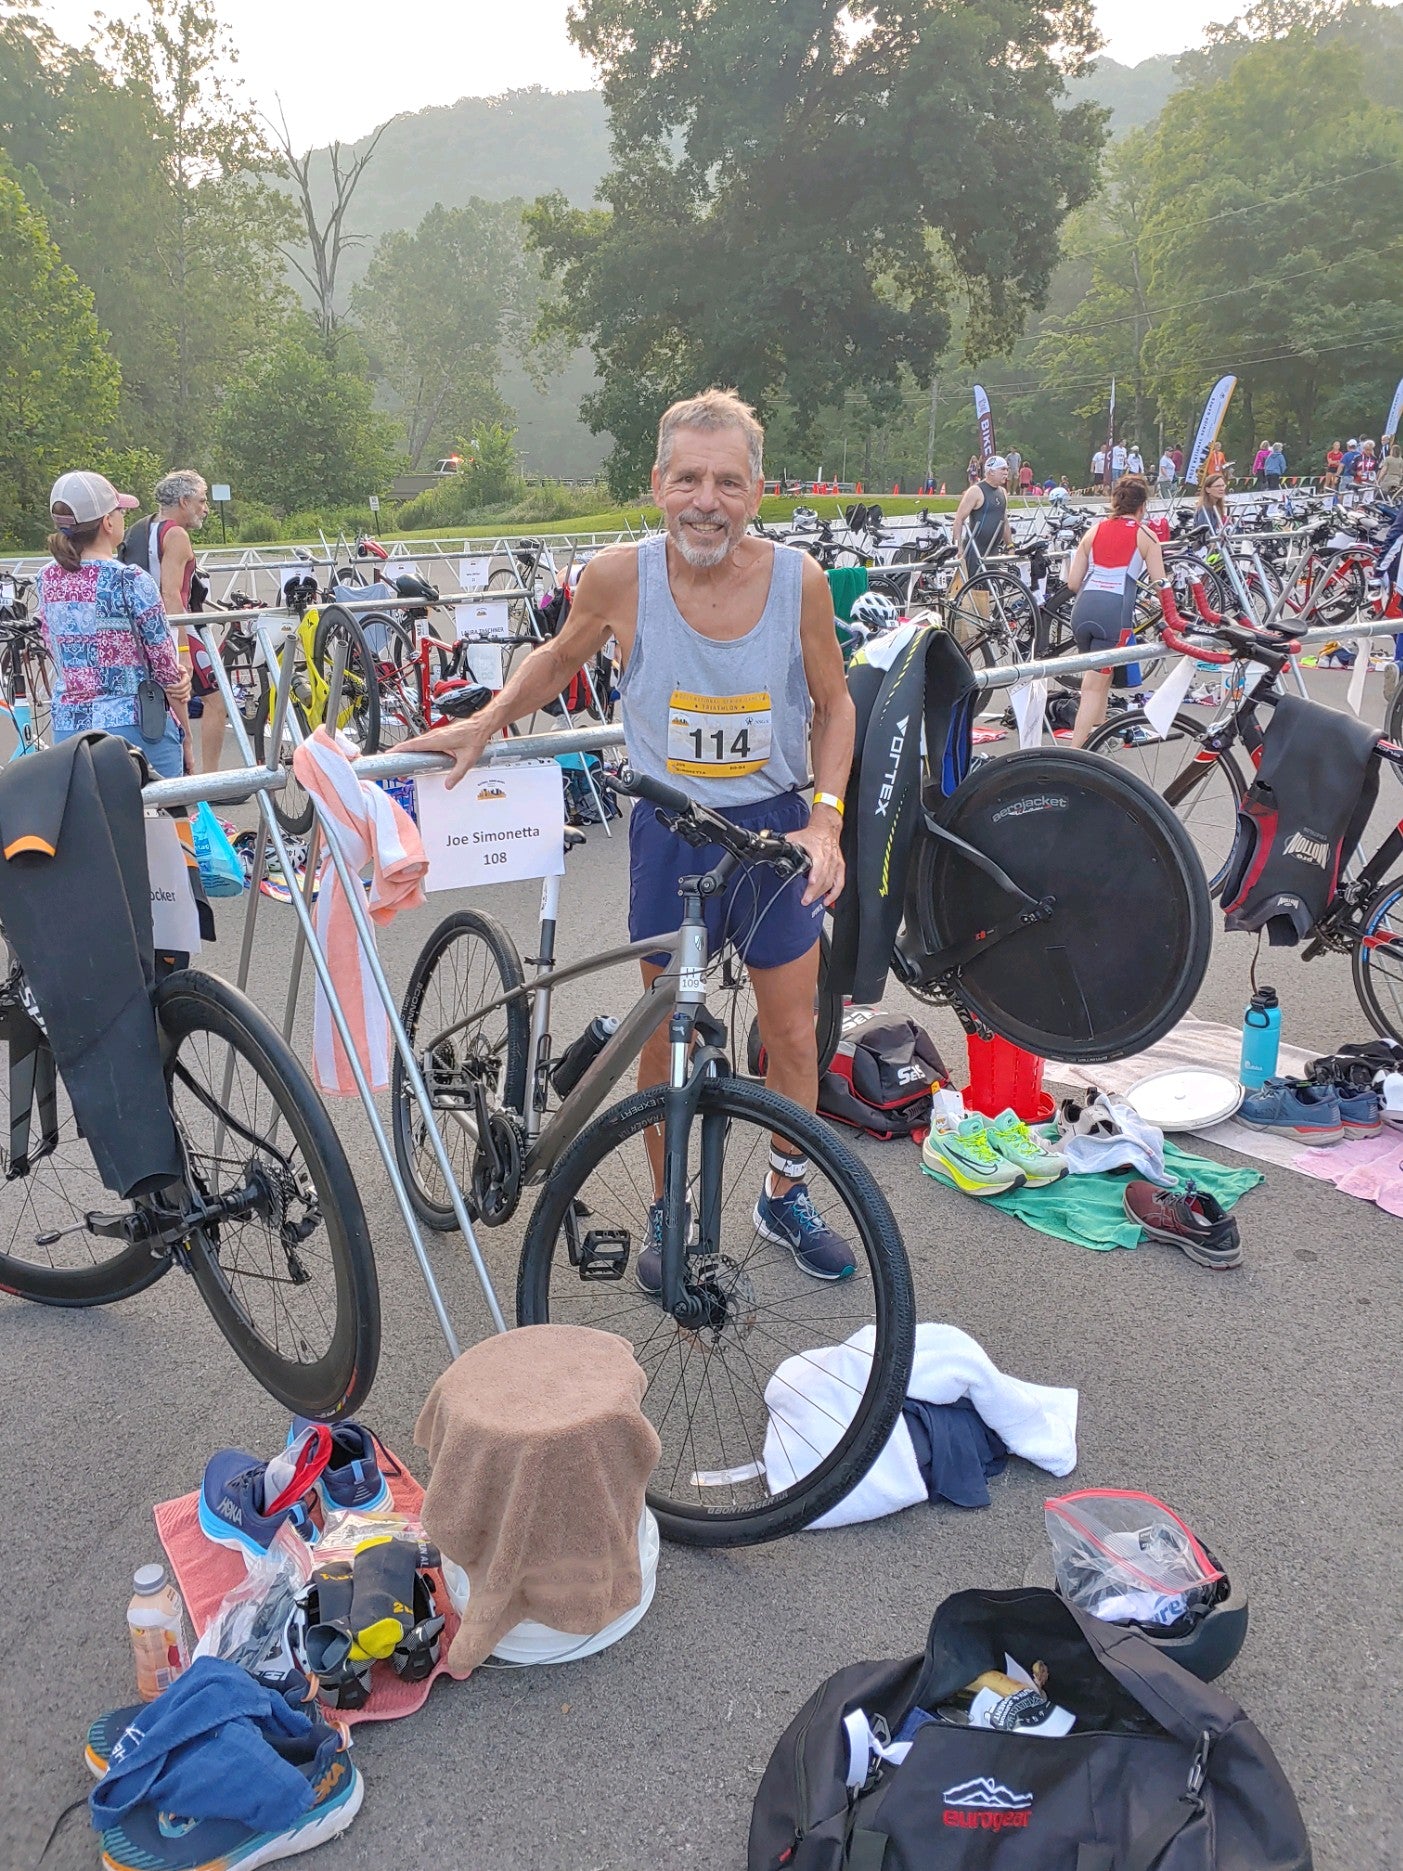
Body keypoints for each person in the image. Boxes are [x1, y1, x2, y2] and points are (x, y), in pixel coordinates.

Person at [399, 387, 857, 1283]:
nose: (706, 501)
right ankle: (666, 1210)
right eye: (688, 477)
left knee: (794, 1034)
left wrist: (826, 820)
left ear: (756, 492)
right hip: (670, 827)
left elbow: (836, 702)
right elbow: (560, 656)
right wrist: (485, 722)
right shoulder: (617, 575)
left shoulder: (795, 580)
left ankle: (782, 1192)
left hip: (771, 829)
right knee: (667, 1037)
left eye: (728, 481)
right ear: (657, 483)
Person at [39, 472, 191, 777]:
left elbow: (51, 646)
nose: (123, 518)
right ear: (108, 523)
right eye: (120, 511)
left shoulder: (47, 578)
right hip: (135, 730)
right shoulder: (130, 579)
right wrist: (184, 736)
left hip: (70, 732)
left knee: (89, 821)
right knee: (165, 819)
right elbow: (165, 670)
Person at [1063, 475, 1176, 749]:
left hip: (1083, 610)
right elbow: (1159, 581)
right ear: (1143, 506)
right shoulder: (1146, 534)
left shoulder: (1094, 530)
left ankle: (1101, 732)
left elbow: (1072, 583)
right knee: (1092, 685)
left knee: (1103, 675)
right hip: (1113, 612)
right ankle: (1075, 753)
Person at [122, 470, 220, 775]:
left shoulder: (141, 527)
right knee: (217, 699)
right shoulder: (176, 534)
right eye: (202, 501)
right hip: (171, 628)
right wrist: (181, 650)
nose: (205, 508)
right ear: (184, 500)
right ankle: (213, 780)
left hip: (137, 630)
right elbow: (171, 593)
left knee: (164, 702)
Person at [952, 453, 1011, 586]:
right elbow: (959, 520)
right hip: (975, 550)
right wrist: (959, 547)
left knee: (993, 591)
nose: (1006, 473)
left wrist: (1010, 545)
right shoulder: (975, 491)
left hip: (993, 549)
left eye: (1007, 469)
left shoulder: (1002, 492)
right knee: (975, 593)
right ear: (990, 472)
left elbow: (1004, 520)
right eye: (1002, 469)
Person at [1189, 470, 1230, 541]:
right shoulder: (1205, 509)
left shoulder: (1216, 506)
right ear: (1208, 490)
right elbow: (1204, 533)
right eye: (1217, 486)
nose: (1221, 489)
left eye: (1223, 486)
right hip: (1204, 548)